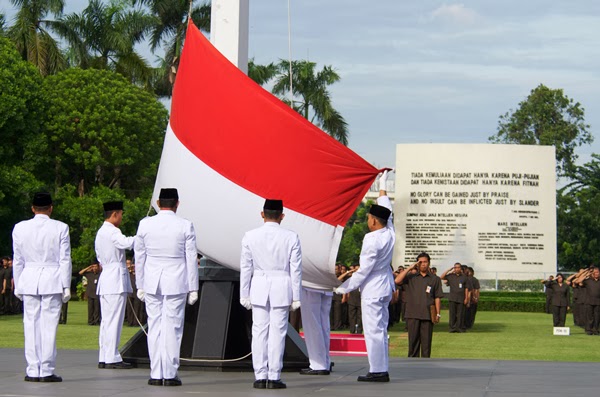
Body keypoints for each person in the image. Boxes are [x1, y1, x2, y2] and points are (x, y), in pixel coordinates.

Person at [333, 170, 395, 383]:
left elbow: (364, 271)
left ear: (374, 222)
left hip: (373, 288)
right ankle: (382, 367)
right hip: (385, 285)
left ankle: (378, 370)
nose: (367, 220)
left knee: (373, 331)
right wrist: (383, 183)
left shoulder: (372, 240)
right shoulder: (390, 231)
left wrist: (342, 287)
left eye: (369, 218)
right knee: (380, 329)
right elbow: (387, 207)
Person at [135, 188, 199, 386]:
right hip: (176, 280)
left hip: (152, 280)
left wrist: (140, 284)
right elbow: (191, 258)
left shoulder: (145, 224)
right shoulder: (185, 225)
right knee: (173, 327)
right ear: (177, 203)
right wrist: (193, 287)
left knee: (154, 327)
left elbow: (139, 256)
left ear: (157, 202)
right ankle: (169, 373)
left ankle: (156, 372)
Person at [239, 199, 302, 390]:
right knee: (278, 333)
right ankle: (274, 376)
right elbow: (296, 270)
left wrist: (244, 293)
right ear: (282, 215)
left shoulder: (250, 236)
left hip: (258, 285)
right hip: (282, 286)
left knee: (259, 332)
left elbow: (245, 267)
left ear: (262, 214)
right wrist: (297, 296)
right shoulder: (291, 237)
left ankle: (260, 375)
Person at [12, 192, 72, 382]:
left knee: (30, 325)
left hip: (29, 278)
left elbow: (18, 260)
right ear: (51, 208)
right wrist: (66, 285)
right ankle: (46, 369)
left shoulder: (20, 228)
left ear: (32, 208)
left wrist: (18, 282)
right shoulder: (60, 228)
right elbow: (65, 260)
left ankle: (32, 368)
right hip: (52, 279)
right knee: (48, 326)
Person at [95, 201, 135, 369]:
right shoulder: (112, 231)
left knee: (107, 320)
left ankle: (105, 355)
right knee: (114, 320)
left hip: (107, 278)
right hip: (114, 279)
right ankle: (112, 357)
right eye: (121, 214)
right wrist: (142, 236)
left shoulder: (100, 232)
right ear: (115, 214)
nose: (121, 217)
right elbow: (126, 243)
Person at [395, 252, 442, 357]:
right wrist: (409, 268)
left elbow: (437, 297)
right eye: (421, 262)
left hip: (427, 315)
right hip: (412, 314)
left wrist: (438, 314)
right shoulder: (411, 277)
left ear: (429, 263)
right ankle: (412, 365)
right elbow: (397, 280)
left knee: (426, 344)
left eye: (425, 262)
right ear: (417, 264)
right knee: (413, 343)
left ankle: (425, 366)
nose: (423, 264)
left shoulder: (435, 279)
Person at [299, 280, 333, 375]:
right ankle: (325, 362)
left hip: (310, 284)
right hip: (325, 284)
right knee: (324, 324)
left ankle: (318, 364)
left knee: (312, 325)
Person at [441, 262, 469, 333]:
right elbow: (441, 277)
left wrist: (466, 298)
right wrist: (448, 270)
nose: (457, 269)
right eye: (455, 267)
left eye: (458, 267)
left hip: (461, 298)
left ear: (460, 268)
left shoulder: (464, 277)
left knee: (460, 314)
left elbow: (466, 288)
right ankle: (452, 328)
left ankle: (459, 328)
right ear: (454, 268)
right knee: (452, 314)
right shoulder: (451, 276)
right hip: (452, 298)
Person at [573, 267, 600, 335]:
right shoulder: (588, 280)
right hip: (589, 301)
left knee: (597, 317)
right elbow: (578, 281)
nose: (597, 274)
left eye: (598, 272)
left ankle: (596, 330)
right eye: (595, 272)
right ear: (593, 273)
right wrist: (586, 274)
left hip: (598, 302)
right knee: (589, 316)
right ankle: (589, 330)